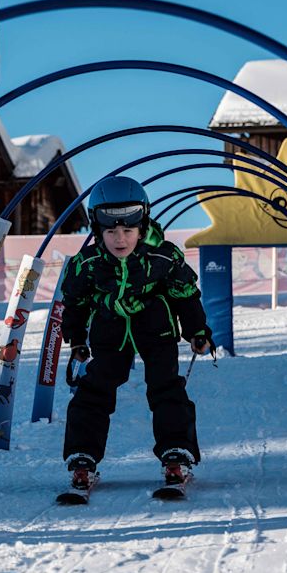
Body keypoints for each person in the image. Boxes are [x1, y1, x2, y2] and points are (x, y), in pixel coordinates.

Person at [58, 176, 212, 496]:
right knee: (94, 390)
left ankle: (176, 454)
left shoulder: (164, 256)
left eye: (128, 230)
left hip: (156, 328)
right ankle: (83, 455)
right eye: (111, 231)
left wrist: (197, 330)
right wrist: (76, 338)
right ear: (97, 229)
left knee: (166, 387)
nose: (120, 239)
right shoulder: (87, 264)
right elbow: (75, 301)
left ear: (142, 226)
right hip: (109, 330)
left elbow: (185, 294)